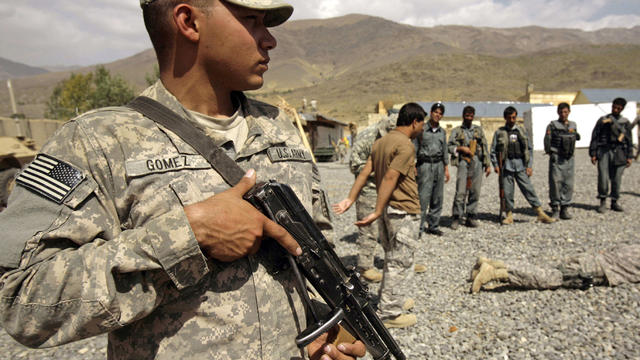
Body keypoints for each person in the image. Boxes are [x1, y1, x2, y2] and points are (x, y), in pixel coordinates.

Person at [0, 1, 366, 359]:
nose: (269, 40)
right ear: (188, 21)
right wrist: (189, 236)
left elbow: (316, 251)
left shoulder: (280, 130)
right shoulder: (96, 141)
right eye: (252, 20)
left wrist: (327, 324)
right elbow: (21, 301)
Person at [333, 102, 427, 329]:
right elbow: (389, 178)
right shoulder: (405, 145)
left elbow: (365, 172)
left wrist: (351, 198)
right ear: (414, 122)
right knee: (399, 261)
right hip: (402, 211)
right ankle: (390, 314)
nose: (423, 128)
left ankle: (394, 298)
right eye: (422, 123)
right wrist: (375, 210)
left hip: (388, 210)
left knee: (392, 259)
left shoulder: (380, 143)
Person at [470, 244, 640, 293]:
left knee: (543, 271)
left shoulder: (634, 247)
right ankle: (494, 273)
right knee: (549, 279)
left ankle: (491, 262)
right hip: (592, 270)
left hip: (589, 259)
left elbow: (611, 249)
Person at [347, 116, 394, 282]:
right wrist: (378, 170)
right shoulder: (367, 136)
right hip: (368, 189)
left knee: (389, 227)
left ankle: (393, 262)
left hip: (387, 188)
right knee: (369, 228)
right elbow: (354, 164)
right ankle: (365, 267)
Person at [490, 106, 555, 225]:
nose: (511, 120)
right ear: (505, 118)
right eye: (509, 117)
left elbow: (529, 148)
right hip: (506, 166)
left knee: (529, 189)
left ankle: (540, 213)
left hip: (520, 165)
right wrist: (495, 165)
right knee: (507, 192)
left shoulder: (521, 131)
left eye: (514, 117)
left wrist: (529, 165)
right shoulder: (499, 132)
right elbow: (493, 150)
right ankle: (509, 215)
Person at [447, 106, 491, 229]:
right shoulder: (457, 131)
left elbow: (485, 148)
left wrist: (487, 164)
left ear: (473, 116)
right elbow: (449, 147)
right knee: (461, 190)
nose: (469, 118)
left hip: (477, 161)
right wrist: (460, 148)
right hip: (463, 161)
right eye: (467, 115)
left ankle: (471, 216)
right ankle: (456, 216)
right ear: (463, 116)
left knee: (475, 190)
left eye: (471, 116)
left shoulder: (478, 131)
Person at [589, 97, 633, 213]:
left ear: (622, 109)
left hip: (620, 152)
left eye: (618, 108)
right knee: (603, 177)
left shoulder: (625, 123)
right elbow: (595, 136)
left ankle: (614, 201)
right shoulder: (603, 120)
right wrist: (593, 153)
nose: (616, 109)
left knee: (617, 178)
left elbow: (629, 140)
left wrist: (629, 156)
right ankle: (603, 200)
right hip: (604, 151)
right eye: (614, 107)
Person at [415, 102, 450, 236]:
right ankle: (418, 227)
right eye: (436, 112)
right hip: (425, 165)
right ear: (431, 112)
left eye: (440, 113)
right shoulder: (422, 129)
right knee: (423, 196)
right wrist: (414, 165)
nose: (438, 115)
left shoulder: (442, 132)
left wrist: (446, 168)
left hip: (439, 165)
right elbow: (415, 147)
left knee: (437, 197)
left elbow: (445, 150)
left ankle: (433, 225)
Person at [543, 102, 581, 219]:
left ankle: (564, 208)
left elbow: (576, 138)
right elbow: (547, 141)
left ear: (569, 112)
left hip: (569, 158)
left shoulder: (573, 125)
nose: (563, 114)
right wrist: (551, 153)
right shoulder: (553, 126)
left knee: (568, 183)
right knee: (555, 183)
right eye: (561, 112)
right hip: (557, 157)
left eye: (565, 112)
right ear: (558, 112)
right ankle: (555, 207)